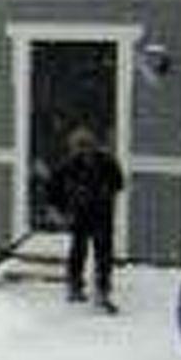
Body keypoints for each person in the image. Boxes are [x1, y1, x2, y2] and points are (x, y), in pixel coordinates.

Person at [48, 125, 126, 311]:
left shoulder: (107, 162)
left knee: (103, 254)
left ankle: (102, 290)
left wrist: (103, 192)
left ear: (93, 145)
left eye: (86, 146)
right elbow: (53, 188)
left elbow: (119, 183)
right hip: (80, 215)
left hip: (102, 214)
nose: (83, 151)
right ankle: (75, 285)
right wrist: (58, 210)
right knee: (78, 251)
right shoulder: (68, 164)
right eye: (79, 147)